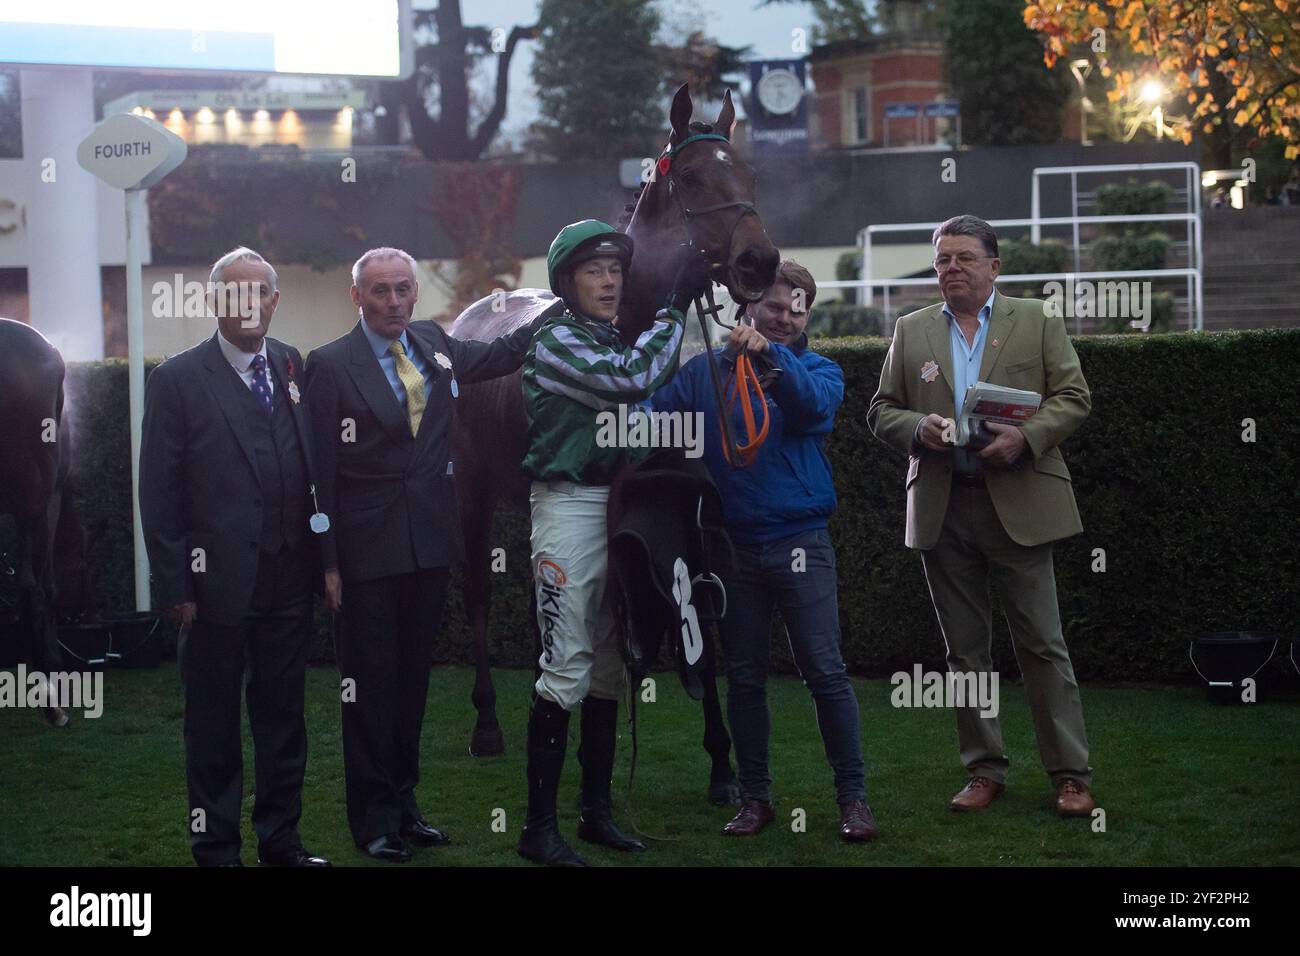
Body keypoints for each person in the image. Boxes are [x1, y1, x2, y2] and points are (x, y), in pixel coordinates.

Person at [304, 247, 540, 863]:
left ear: (415, 294)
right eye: (379, 291)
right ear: (357, 297)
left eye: (402, 289)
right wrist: (327, 562)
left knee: (411, 685)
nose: (392, 302)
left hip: (432, 546)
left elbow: (504, 354)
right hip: (364, 553)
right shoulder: (328, 366)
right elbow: (317, 477)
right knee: (368, 688)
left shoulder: (436, 340)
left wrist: (564, 297)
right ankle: (373, 820)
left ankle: (406, 809)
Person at [868, 214, 1096, 818]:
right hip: (944, 508)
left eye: (965, 258)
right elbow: (881, 410)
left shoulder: (1038, 319)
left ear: (995, 266)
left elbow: (1073, 397)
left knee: (1043, 647)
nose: (952, 269)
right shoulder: (911, 329)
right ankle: (984, 770)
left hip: (1020, 502)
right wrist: (920, 427)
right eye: (943, 259)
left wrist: (1026, 440)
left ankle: (1071, 777)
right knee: (965, 655)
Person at [650, 259, 877, 843]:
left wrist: (769, 359)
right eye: (774, 306)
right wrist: (602, 419)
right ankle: (756, 799)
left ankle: (853, 800)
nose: (785, 317)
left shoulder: (818, 368)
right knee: (745, 678)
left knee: (825, 673)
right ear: (748, 307)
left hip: (802, 543)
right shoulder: (704, 373)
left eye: (797, 308)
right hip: (734, 549)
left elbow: (812, 410)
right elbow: (650, 420)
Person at [516, 220, 706, 867]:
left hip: (615, 507)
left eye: (615, 271)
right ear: (567, 283)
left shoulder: (599, 335)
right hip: (567, 508)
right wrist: (675, 305)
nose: (608, 280)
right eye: (593, 271)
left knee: (609, 666)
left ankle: (593, 814)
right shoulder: (558, 339)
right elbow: (631, 378)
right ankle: (538, 830)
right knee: (565, 663)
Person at [139, 247, 330, 867]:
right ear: (216, 302)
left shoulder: (292, 365)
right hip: (211, 587)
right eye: (236, 293)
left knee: (284, 723)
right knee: (213, 728)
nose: (250, 304)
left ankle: (281, 844)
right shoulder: (175, 380)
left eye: (261, 293)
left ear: (275, 301)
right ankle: (216, 849)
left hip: (288, 583)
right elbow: (159, 491)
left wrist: (325, 562)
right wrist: (175, 586)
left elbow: (314, 476)